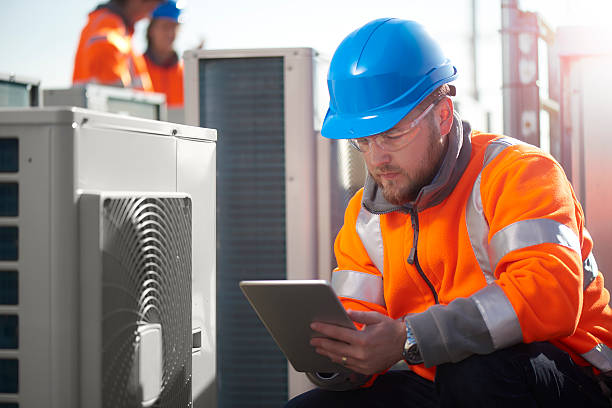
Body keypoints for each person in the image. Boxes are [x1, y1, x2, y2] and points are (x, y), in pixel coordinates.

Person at [285, 18, 612, 407]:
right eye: (364, 140)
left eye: (392, 134)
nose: (377, 157)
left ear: (442, 115)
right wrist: (342, 359)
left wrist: (410, 337)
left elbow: (548, 297)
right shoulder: (365, 214)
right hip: (437, 376)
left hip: (567, 375)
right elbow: (362, 323)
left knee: (475, 373)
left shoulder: (518, 172)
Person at [73, 0, 162, 91]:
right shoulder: (108, 23)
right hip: (105, 104)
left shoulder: (121, 29)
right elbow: (111, 87)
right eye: (151, 7)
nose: (148, 16)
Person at [142, 1, 184, 108]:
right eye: (165, 26)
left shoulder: (187, 72)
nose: (170, 33)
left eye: (174, 27)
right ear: (151, 29)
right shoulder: (135, 68)